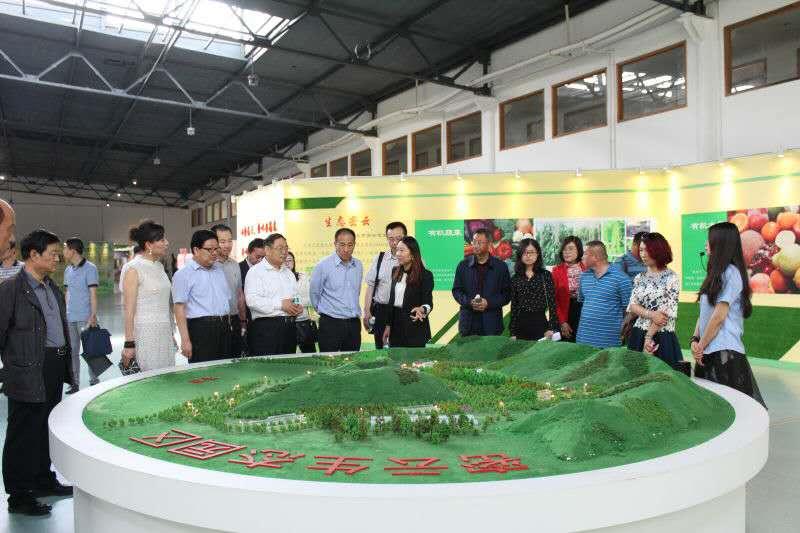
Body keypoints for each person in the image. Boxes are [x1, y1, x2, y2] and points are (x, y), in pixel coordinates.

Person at [0, 229, 73, 517]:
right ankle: (19, 495)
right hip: (27, 369)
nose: (57, 259)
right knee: (23, 431)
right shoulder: (11, 290)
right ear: (33, 254)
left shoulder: (51, 287)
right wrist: (10, 370)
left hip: (53, 365)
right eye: (52, 254)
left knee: (45, 426)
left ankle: (43, 479)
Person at [691, 222, 765, 407]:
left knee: (733, 408)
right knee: (713, 408)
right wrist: (695, 339)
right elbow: (705, 313)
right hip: (708, 349)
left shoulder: (732, 273)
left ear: (720, 243)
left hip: (725, 351)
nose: (706, 244)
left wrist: (701, 346)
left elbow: (718, 317)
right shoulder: (715, 274)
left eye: (709, 240)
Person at [121, 221, 175, 373]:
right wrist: (129, 343)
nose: (167, 243)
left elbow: (164, 303)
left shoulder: (159, 266)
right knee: (149, 379)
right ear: (149, 245)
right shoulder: (133, 269)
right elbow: (129, 311)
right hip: (145, 333)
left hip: (164, 332)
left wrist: (171, 332)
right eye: (162, 240)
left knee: (167, 376)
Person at [172, 230, 231, 363]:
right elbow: (179, 308)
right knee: (204, 372)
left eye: (216, 249)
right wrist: (185, 340)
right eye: (209, 249)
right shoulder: (183, 274)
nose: (214, 253)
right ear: (196, 250)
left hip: (224, 327)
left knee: (226, 369)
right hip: (201, 330)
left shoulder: (219, 271)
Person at [625, 233, 682, 366]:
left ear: (658, 250)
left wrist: (649, 337)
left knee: (662, 375)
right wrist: (650, 314)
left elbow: (664, 314)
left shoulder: (671, 277)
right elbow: (633, 305)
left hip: (662, 336)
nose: (643, 254)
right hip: (638, 334)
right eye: (641, 250)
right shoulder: (639, 277)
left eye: (647, 250)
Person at [245, 234, 302, 355]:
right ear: (267, 250)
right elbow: (252, 301)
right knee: (267, 365)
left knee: (288, 364)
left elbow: (296, 295)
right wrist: (280, 304)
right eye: (280, 248)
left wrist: (297, 305)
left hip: (289, 328)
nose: (284, 252)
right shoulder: (255, 272)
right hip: (267, 329)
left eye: (286, 248)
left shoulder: (289, 273)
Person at [310, 228, 363, 352]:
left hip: (353, 324)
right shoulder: (323, 265)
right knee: (329, 361)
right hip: (330, 324)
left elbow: (356, 292)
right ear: (335, 244)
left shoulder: (358, 265)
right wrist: (324, 312)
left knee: (352, 361)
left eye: (350, 245)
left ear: (354, 245)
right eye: (342, 244)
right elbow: (314, 293)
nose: (346, 249)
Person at [452, 228, 511, 337]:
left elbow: (507, 294)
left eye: (479, 242)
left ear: (489, 244)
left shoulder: (500, 267)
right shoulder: (463, 266)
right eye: (474, 242)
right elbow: (457, 291)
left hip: (492, 324)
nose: (475, 245)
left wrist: (489, 303)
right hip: (468, 324)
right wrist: (470, 302)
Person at [576, 241, 633, 349]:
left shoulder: (621, 279)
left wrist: (624, 330)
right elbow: (584, 304)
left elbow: (630, 310)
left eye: (585, 254)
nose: (581, 257)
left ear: (595, 257)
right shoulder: (583, 277)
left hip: (609, 342)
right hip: (583, 340)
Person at [381, 237, 433, 348]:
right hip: (395, 327)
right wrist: (388, 325)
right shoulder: (395, 271)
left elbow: (428, 303)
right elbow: (392, 301)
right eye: (397, 250)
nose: (398, 254)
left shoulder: (425, 275)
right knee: (395, 358)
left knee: (414, 359)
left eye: (402, 250)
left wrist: (422, 309)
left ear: (412, 254)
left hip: (414, 327)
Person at [63, 238, 100, 392]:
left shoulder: (90, 268)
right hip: (70, 317)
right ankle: (74, 383)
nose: (63, 252)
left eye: (65, 248)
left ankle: (94, 380)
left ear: (73, 250)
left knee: (90, 351)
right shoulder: (68, 270)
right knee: (72, 352)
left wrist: (93, 315)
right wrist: (65, 312)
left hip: (85, 317)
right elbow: (67, 292)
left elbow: (93, 294)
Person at [363, 222, 406, 348]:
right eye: (391, 239)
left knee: (402, 350)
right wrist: (367, 311)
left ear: (405, 237)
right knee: (381, 349)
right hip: (381, 311)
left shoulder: (414, 260)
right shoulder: (380, 258)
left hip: (403, 312)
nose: (395, 242)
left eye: (399, 238)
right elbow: (371, 286)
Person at [509, 238, 558, 341]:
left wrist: (551, 328)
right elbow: (514, 306)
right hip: (520, 325)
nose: (528, 256)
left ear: (538, 254)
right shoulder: (515, 278)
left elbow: (552, 304)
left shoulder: (545, 275)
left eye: (531, 252)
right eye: (524, 252)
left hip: (541, 323)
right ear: (520, 255)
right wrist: (512, 332)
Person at [212, 224, 246, 358]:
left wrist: (243, 321)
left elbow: (239, 295)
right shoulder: (209, 266)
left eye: (230, 241)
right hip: (216, 322)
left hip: (235, 320)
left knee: (235, 359)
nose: (227, 245)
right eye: (222, 242)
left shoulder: (235, 265)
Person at [552, 236, 586, 343]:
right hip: (565, 313)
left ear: (579, 250)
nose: (567, 252)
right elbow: (553, 300)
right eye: (564, 249)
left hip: (585, 312)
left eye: (571, 249)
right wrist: (562, 322)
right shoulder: (556, 271)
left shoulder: (587, 269)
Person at [285, 251, 317, 353]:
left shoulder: (303, 277)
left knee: (309, 354)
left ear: (294, 262)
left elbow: (311, 298)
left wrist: (295, 302)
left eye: (289, 260)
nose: (287, 263)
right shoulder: (276, 279)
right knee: (287, 355)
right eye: (284, 261)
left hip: (303, 322)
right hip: (285, 323)